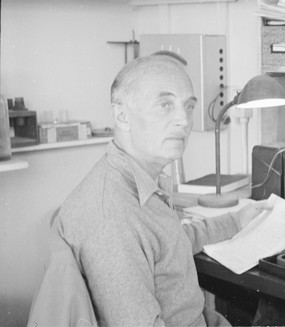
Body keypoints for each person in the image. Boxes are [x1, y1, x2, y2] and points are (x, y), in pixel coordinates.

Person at [53, 53, 271, 326]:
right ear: (122, 116)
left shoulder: (139, 181)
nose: (183, 120)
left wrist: (236, 221)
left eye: (188, 106)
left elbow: (168, 242)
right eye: (165, 104)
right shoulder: (113, 217)